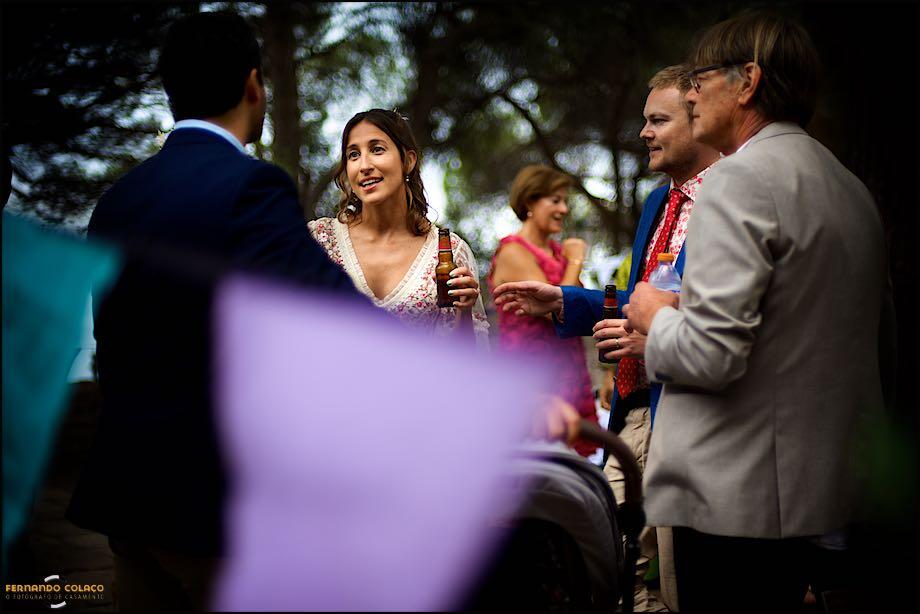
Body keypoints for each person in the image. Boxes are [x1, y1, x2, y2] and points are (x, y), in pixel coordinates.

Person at [66, 12, 360, 610]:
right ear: (254, 86)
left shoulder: (117, 202)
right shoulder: (250, 187)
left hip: (127, 497)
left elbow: (119, 339)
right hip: (213, 508)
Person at [624, 12, 892, 611]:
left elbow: (712, 355)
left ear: (746, 82)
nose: (690, 94)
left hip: (736, 504)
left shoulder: (737, 180)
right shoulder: (851, 188)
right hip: (828, 494)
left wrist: (653, 318)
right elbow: (883, 344)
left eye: (700, 79)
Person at [492, 66, 720, 611]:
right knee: (618, 568)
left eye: (657, 120)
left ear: (699, 118)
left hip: (687, 411)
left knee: (676, 580)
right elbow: (638, 299)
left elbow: (716, 313)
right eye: (643, 120)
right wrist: (566, 301)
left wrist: (656, 333)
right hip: (631, 409)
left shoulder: (730, 201)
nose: (644, 132)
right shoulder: (655, 205)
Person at [309, 109, 489, 348]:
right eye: (353, 154)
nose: (364, 165)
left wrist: (464, 312)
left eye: (377, 149)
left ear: (408, 161)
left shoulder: (448, 251)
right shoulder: (319, 240)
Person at [486, 165, 598, 457]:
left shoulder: (558, 252)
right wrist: (576, 261)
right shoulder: (513, 252)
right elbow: (556, 308)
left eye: (565, 201)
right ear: (529, 204)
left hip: (571, 374)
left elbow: (580, 308)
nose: (564, 208)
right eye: (555, 200)